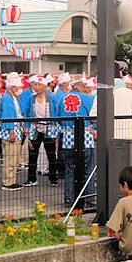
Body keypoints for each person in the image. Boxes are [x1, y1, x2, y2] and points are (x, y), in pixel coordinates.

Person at [56, 75, 96, 207]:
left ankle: (69, 198)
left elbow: (57, 118)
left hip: (68, 136)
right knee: (88, 169)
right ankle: (90, 197)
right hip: (86, 135)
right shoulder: (88, 98)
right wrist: (94, 128)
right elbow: (94, 117)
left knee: (70, 170)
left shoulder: (61, 98)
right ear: (84, 86)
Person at [24, 76, 59, 187]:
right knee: (32, 154)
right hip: (35, 127)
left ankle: (53, 178)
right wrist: (26, 127)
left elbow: (57, 112)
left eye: (39, 85)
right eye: (35, 85)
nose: (37, 87)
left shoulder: (52, 98)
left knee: (51, 154)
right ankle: (31, 178)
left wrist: (57, 127)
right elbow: (28, 113)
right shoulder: (31, 98)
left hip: (49, 127)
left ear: (45, 86)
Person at [0, 76, 26, 190]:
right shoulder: (7, 98)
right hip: (11, 130)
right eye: (19, 86)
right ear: (13, 87)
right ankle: (8, 182)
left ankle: (12, 180)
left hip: (16, 129)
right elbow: (8, 115)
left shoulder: (13, 97)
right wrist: (11, 131)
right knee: (10, 157)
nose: (20, 89)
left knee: (14, 157)